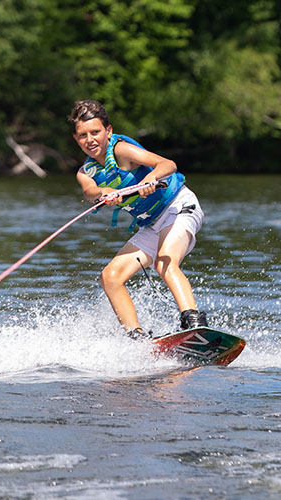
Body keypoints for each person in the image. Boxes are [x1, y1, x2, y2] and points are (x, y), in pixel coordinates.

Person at [68, 99, 208, 338]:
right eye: (82, 135)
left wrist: (148, 180)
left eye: (95, 132)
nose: (90, 140)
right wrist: (104, 193)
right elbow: (89, 191)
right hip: (151, 224)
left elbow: (167, 164)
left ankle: (193, 322)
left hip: (178, 207)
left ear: (108, 131)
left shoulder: (120, 150)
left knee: (165, 262)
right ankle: (137, 337)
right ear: (76, 139)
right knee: (110, 277)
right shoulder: (85, 172)